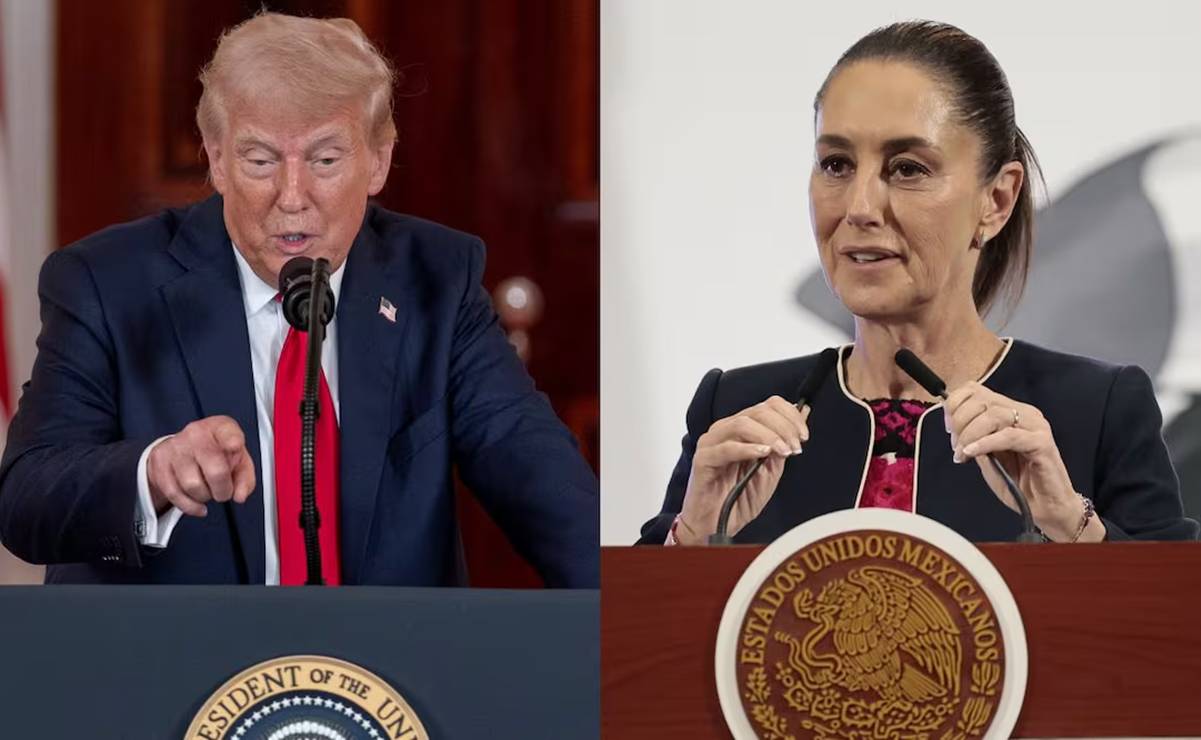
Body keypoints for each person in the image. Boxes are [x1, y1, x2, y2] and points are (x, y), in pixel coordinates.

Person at [0, 12, 598, 586]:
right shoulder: (108, 284)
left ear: (379, 162)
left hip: (382, 678)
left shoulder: (435, 281)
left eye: (325, 160)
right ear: (216, 158)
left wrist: (644, 619)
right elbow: (25, 502)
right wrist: (150, 473)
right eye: (260, 160)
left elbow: (543, 487)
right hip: (176, 672)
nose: (292, 196)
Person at [640, 21, 1198, 546]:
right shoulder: (734, 410)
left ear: (996, 200)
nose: (859, 207)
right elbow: (630, 636)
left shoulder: (1096, 409)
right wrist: (693, 534)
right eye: (836, 164)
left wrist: (1072, 524)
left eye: (907, 168)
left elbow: (1174, 632)